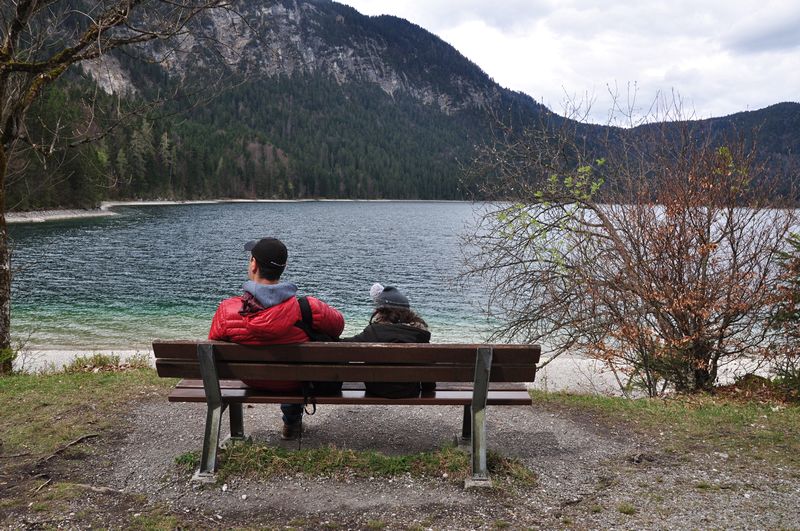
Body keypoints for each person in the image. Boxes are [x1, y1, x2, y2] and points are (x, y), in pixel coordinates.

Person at [208, 237, 344, 440]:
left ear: (253, 264)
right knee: (294, 367)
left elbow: (213, 345)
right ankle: (291, 423)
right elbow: (338, 326)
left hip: (252, 378)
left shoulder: (227, 310)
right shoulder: (308, 308)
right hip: (294, 381)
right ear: (284, 267)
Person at [343, 283, 432, 398]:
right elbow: (428, 370)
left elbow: (345, 347)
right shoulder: (420, 334)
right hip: (409, 391)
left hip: (377, 389)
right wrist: (428, 389)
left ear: (382, 312)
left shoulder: (373, 332)